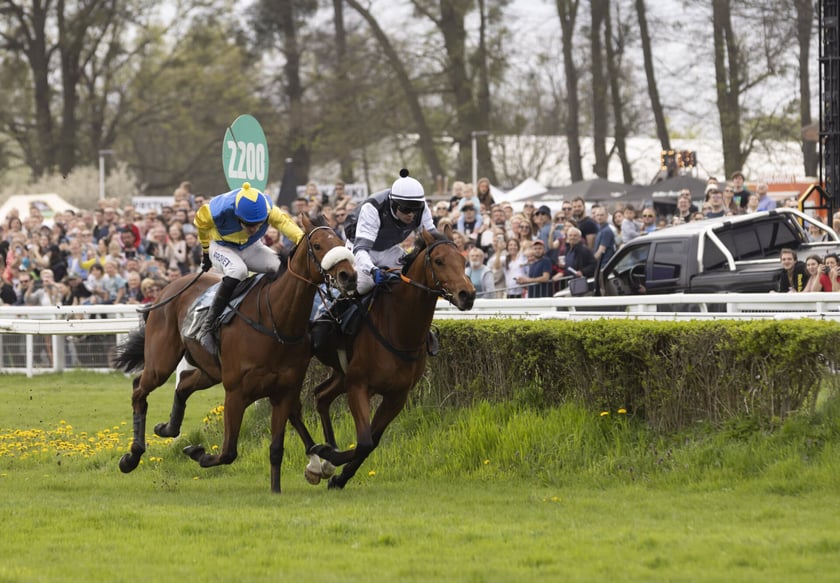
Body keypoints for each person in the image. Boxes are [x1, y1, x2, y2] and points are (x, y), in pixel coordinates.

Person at [311, 168, 436, 349]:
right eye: (406, 209)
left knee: (412, 282)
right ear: (393, 204)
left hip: (389, 248)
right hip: (359, 248)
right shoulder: (373, 208)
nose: (411, 214)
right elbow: (362, 249)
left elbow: (433, 239)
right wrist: (373, 270)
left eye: (415, 210)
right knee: (363, 285)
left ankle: (421, 329)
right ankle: (326, 318)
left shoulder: (420, 206)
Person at [194, 181, 304, 353]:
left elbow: (288, 227)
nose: (253, 229)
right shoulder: (215, 211)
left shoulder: (269, 210)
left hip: (251, 247)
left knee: (282, 269)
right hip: (222, 246)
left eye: (257, 224)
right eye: (248, 224)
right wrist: (206, 252)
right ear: (237, 216)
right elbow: (201, 226)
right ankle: (206, 328)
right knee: (238, 270)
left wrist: (304, 243)